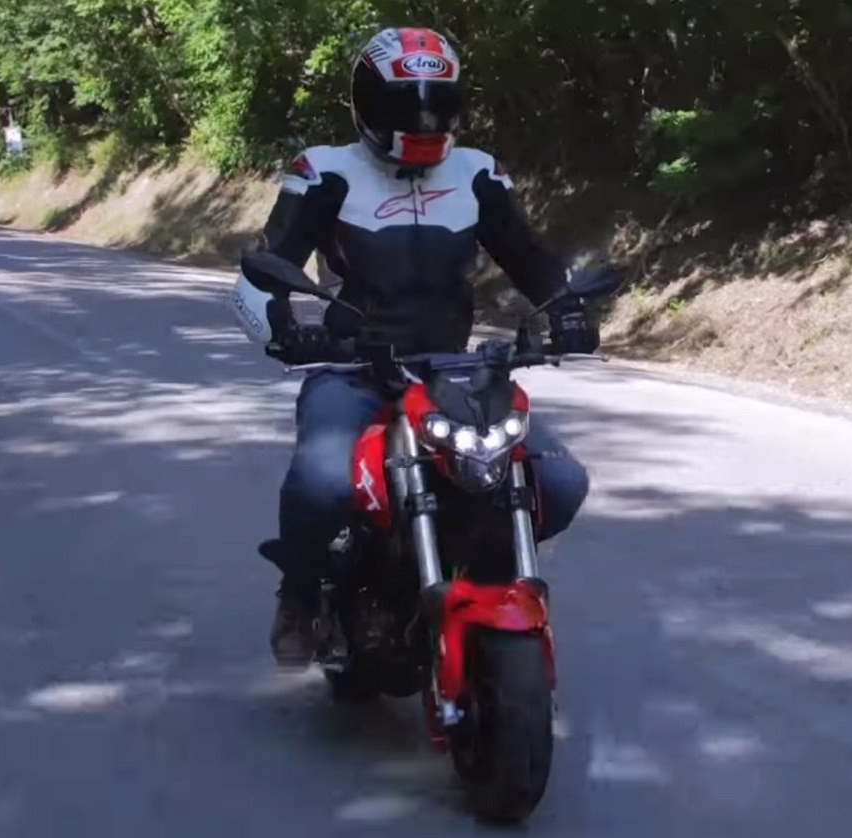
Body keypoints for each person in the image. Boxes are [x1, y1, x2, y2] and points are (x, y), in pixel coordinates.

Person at [224, 26, 599, 667]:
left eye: (437, 103)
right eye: (405, 104)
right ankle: (300, 597)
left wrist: (567, 308)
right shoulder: (325, 172)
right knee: (321, 483)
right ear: (367, 104)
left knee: (559, 483)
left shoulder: (477, 173)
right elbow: (262, 275)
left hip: (455, 372)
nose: (423, 120)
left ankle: (480, 571)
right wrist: (285, 330)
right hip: (352, 368)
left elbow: (530, 260)